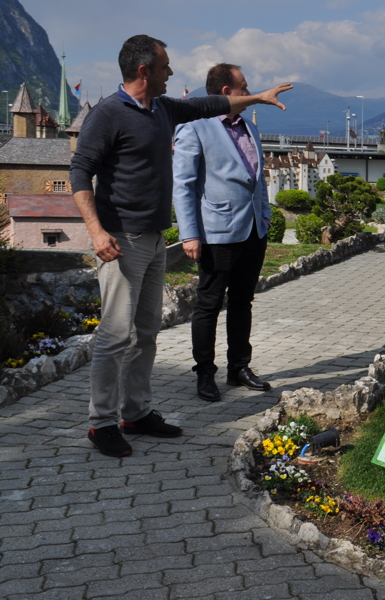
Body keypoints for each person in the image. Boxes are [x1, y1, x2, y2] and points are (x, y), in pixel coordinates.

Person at [70, 34, 291, 457]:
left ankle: (135, 413)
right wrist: (97, 233)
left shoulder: (163, 109)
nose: (171, 72)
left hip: (153, 239)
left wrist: (258, 97)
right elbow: (80, 172)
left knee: (146, 333)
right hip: (121, 239)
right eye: (165, 66)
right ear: (143, 71)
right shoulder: (108, 114)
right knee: (115, 335)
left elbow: (210, 105)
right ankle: (101, 424)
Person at [173, 64, 273, 402]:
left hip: (253, 231)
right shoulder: (194, 126)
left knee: (243, 301)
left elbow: (256, 178)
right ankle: (204, 373)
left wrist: (266, 216)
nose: (250, 91)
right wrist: (189, 234)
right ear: (227, 92)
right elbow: (183, 185)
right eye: (245, 86)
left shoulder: (249, 126)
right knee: (209, 304)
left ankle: (238, 367)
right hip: (216, 233)